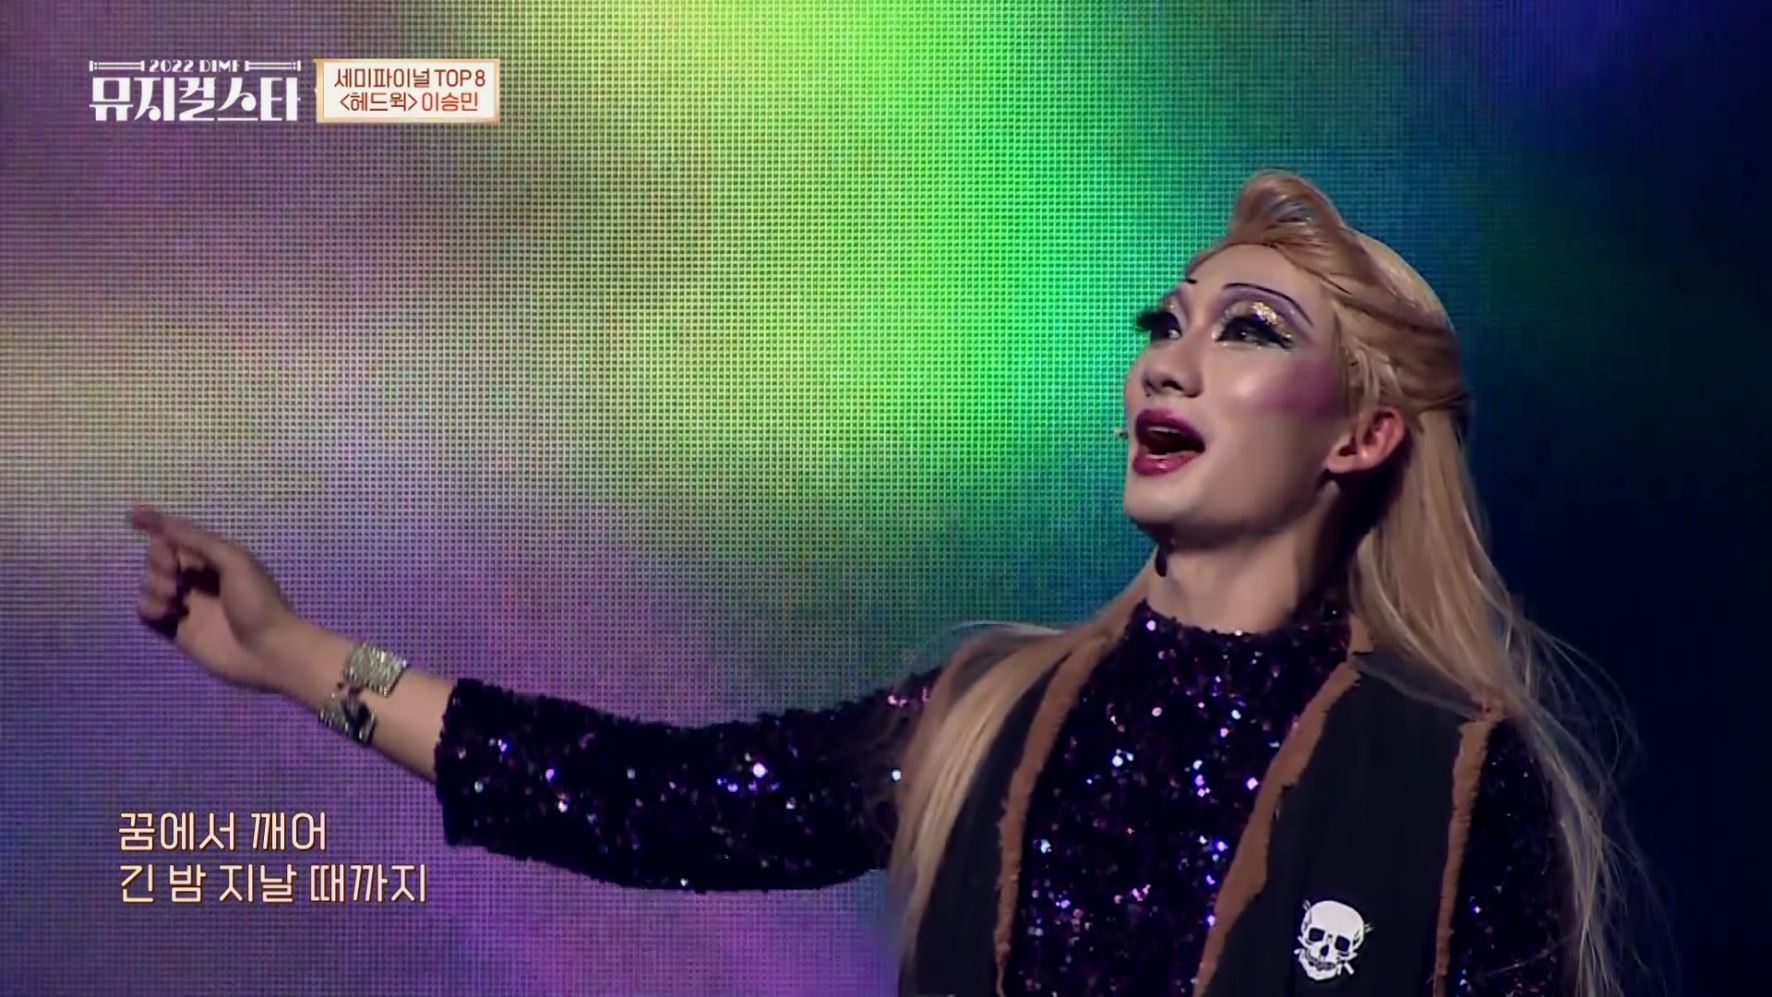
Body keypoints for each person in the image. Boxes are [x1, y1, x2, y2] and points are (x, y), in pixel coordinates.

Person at [129, 169, 1623, 996]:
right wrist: (293, 652)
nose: (1166, 361)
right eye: (1162, 323)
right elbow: (651, 797)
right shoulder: (987, 718)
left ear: (1362, 432)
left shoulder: (1450, 775)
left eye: (1246, 330)